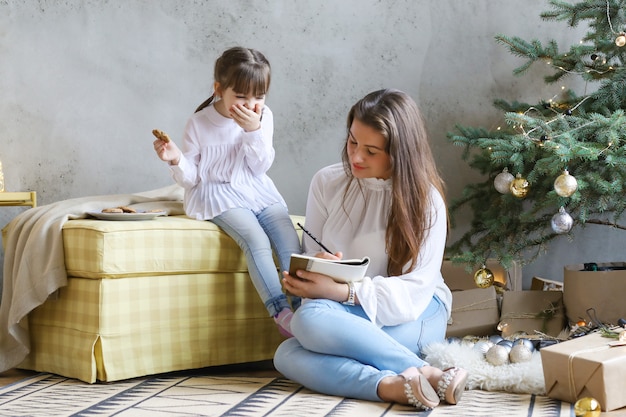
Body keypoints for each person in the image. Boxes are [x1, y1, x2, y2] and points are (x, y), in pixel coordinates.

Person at [273, 89, 468, 410]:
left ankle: (418, 371)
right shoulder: (326, 182)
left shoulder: (426, 200)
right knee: (287, 351)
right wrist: (316, 269)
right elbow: (316, 266)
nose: (356, 157)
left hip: (417, 309)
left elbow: (415, 291)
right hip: (344, 312)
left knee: (306, 326)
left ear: (400, 153)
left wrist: (343, 292)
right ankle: (394, 385)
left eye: (371, 150)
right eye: (352, 142)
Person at [153, 46, 300, 337]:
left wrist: (253, 131)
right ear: (219, 89)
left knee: (287, 237)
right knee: (255, 239)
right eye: (241, 96)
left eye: (258, 97)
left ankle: (305, 305)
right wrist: (176, 159)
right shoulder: (199, 123)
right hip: (216, 192)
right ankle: (280, 312)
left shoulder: (263, 117)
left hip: (255, 189)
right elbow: (192, 178)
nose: (250, 105)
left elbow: (260, 166)